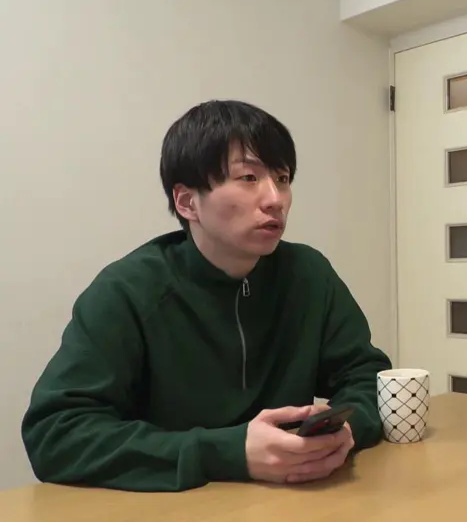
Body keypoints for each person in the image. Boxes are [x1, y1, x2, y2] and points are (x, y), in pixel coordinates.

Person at [21, 100, 393, 492]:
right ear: (187, 202)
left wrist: (345, 431)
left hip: (291, 500)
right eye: (249, 177)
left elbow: (368, 378)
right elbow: (55, 434)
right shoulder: (127, 291)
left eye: (282, 178)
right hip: (172, 507)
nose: (275, 198)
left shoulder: (308, 275)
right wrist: (229, 452)